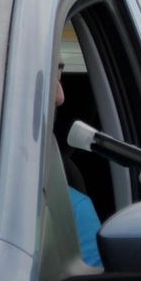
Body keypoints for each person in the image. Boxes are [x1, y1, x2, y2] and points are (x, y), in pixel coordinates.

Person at [55, 61, 102, 267]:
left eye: (59, 72)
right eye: (46, 70)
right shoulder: (65, 211)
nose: (60, 96)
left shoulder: (67, 211)